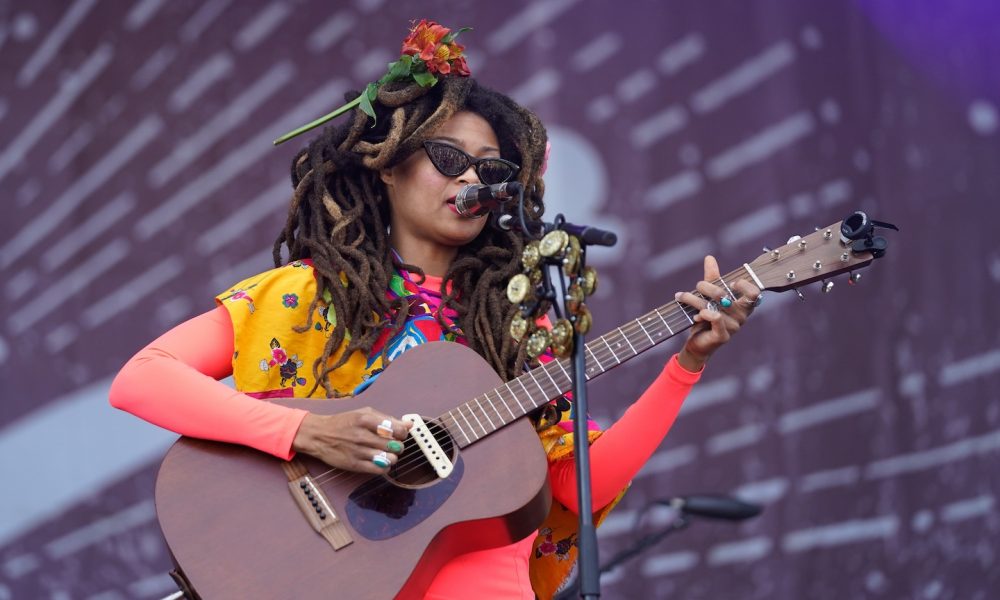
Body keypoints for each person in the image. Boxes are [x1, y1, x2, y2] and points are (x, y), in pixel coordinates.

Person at [109, 20, 760, 600]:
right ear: (389, 166)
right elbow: (143, 379)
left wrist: (687, 365)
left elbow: (572, 488)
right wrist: (305, 433)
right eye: (449, 160)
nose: (471, 181)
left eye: (491, 170)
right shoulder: (309, 293)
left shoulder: (518, 321)